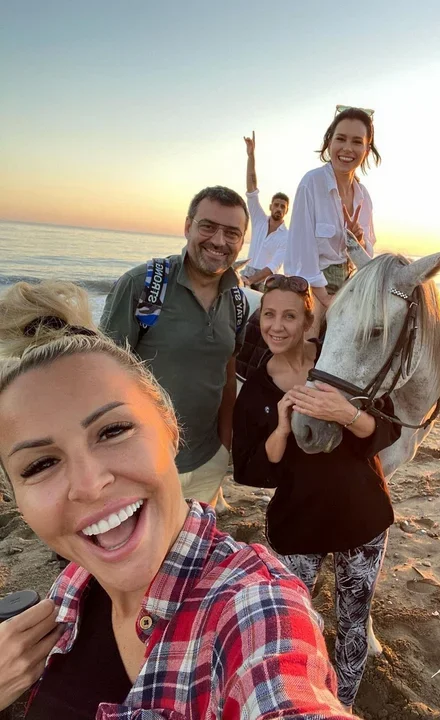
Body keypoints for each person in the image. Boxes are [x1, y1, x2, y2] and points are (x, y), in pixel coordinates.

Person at [0, 280, 357, 720]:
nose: (89, 485)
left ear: (170, 428)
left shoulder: (255, 609)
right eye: (40, 465)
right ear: (14, 496)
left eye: (113, 431)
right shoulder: (74, 584)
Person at [232, 274, 400, 709]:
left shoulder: (339, 360)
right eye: (269, 315)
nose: (277, 326)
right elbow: (249, 469)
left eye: (290, 316)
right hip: (297, 525)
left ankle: (343, 705)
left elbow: (388, 428)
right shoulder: (256, 388)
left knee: (353, 623)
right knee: (291, 623)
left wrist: (346, 413)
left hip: (362, 517)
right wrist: (281, 431)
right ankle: (299, 701)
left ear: (309, 322)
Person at [100, 186, 248, 507]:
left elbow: (226, 375)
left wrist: (223, 448)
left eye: (232, 233)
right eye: (208, 226)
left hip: (208, 462)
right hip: (146, 464)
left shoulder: (237, 300)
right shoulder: (143, 285)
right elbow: (103, 380)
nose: (219, 241)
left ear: (241, 241)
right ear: (188, 226)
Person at [283, 107, 380, 336]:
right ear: (329, 142)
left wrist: (358, 241)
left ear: (367, 149)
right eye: (341, 139)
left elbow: (367, 257)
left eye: (357, 142)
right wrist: (324, 297)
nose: (347, 148)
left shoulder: (363, 196)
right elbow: (302, 250)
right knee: (310, 338)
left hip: (347, 284)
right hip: (309, 284)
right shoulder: (312, 183)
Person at [242, 131, 289, 290]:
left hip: (265, 281)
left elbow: (274, 266)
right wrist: (251, 156)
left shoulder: (286, 236)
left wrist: (251, 281)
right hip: (247, 273)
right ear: (270, 206)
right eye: (276, 205)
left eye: (283, 206)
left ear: (286, 211)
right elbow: (252, 189)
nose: (279, 208)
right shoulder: (259, 220)